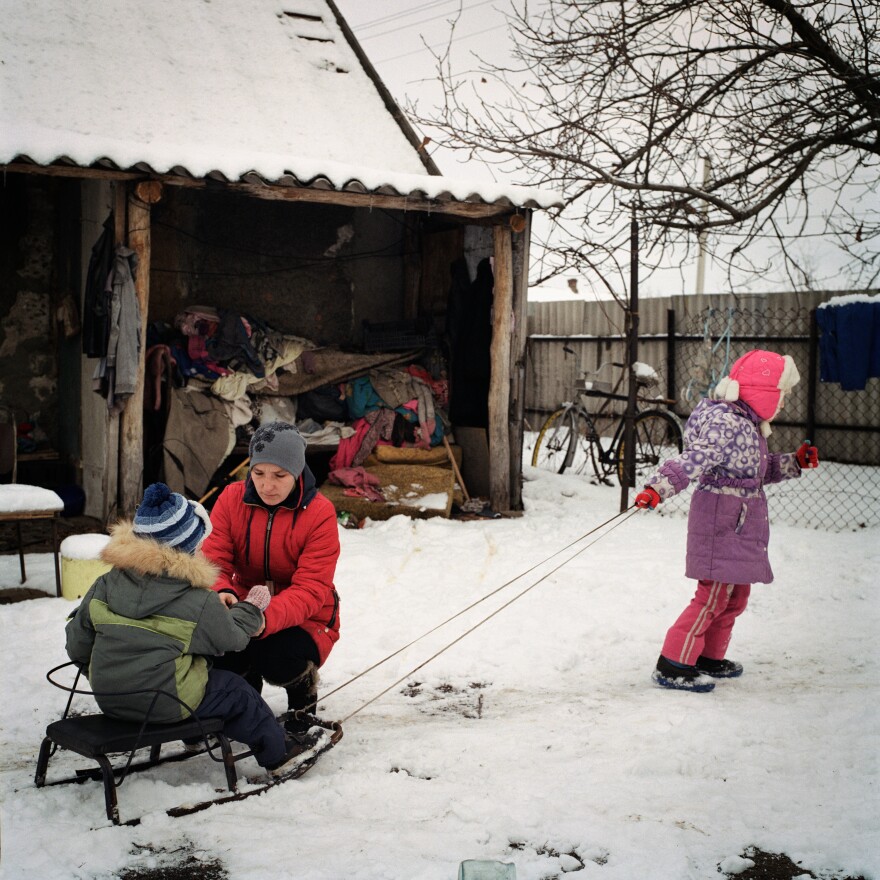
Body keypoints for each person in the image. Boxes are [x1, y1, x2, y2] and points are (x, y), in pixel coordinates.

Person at [65, 482, 306, 775]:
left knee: (187, 663)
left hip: (110, 699)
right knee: (236, 692)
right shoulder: (196, 600)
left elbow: (77, 644)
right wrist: (252, 607)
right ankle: (280, 755)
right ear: (189, 547)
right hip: (168, 704)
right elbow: (234, 637)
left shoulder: (105, 584)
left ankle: (194, 737)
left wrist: (111, 675)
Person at [634, 349, 820, 692]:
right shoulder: (727, 423)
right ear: (764, 394)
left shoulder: (747, 424)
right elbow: (695, 460)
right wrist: (658, 487)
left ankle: (707, 657)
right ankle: (673, 663)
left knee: (736, 596)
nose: (782, 404)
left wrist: (795, 463)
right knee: (714, 595)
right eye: (781, 396)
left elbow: (756, 473)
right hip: (721, 520)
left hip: (740, 522)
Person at [201, 421, 341, 736]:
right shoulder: (230, 499)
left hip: (307, 615)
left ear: (297, 471)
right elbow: (213, 562)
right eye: (258, 474)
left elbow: (311, 588)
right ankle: (244, 707)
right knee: (224, 650)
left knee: (274, 653)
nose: (267, 486)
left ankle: (302, 694)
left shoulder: (320, 513)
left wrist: (263, 619)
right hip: (243, 602)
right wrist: (223, 593)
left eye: (279, 475)